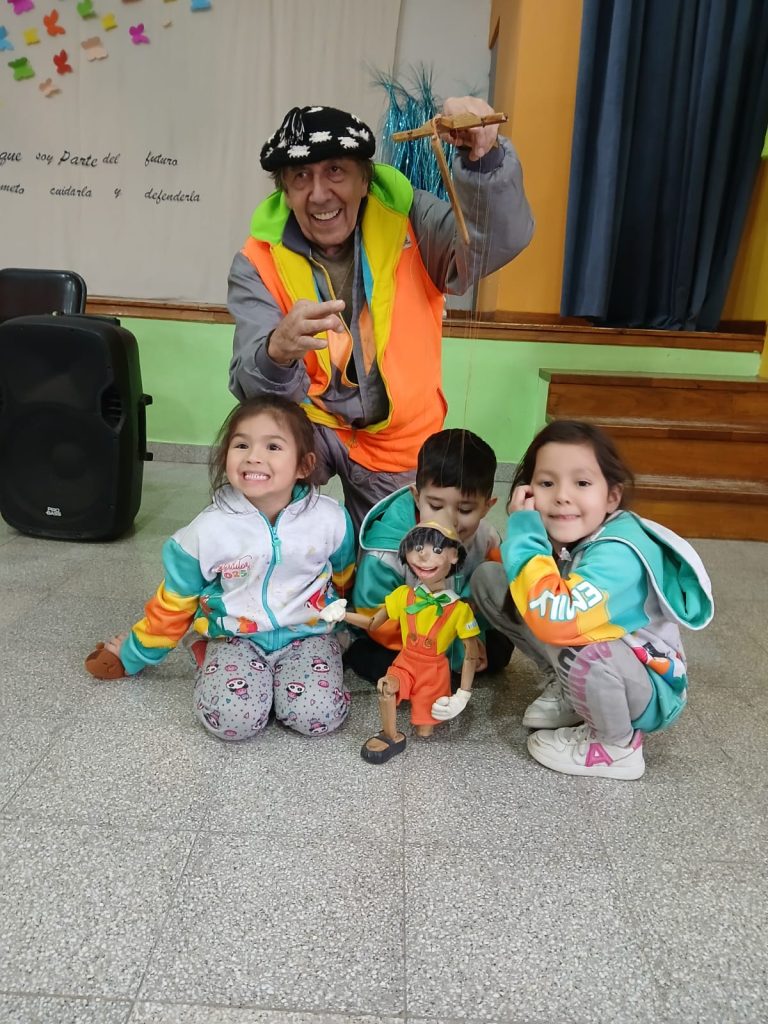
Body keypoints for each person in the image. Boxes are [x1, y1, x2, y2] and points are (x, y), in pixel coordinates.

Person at [227, 98, 534, 533]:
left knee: (405, 557)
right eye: (301, 176)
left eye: (336, 171)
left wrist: (484, 158)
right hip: (309, 425)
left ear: (364, 180)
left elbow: (493, 244)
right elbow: (250, 387)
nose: (319, 194)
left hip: (397, 435)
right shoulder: (256, 259)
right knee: (254, 517)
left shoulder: (412, 218)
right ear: (285, 191)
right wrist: (275, 352)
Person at [84, 396, 356, 741]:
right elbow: (174, 603)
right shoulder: (207, 530)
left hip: (309, 636)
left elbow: (346, 583)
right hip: (235, 638)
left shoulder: (331, 519)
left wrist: (355, 632)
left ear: (304, 465)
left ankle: (284, 684)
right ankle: (208, 655)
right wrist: (132, 654)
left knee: (317, 717)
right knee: (233, 722)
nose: (253, 456)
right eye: (241, 445)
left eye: (273, 446)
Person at [471, 420, 714, 780]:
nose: (562, 496)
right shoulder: (574, 534)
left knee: (581, 640)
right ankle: (570, 690)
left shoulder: (618, 553)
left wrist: (524, 533)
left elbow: (556, 620)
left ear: (612, 496)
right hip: (604, 656)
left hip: (647, 690)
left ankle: (615, 746)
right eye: (547, 483)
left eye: (582, 483)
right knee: (490, 580)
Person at [347, 427, 512, 681]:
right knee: (377, 661)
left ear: (487, 507)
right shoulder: (386, 551)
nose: (448, 520)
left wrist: (472, 635)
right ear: (416, 497)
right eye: (435, 506)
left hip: (455, 626)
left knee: (501, 649)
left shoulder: (487, 538)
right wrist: (442, 648)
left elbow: (495, 595)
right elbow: (372, 614)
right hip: (402, 637)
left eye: (465, 510)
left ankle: (448, 665)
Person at [324, 521, 480, 764]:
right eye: (417, 548)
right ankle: (390, 736)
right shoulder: (403, 595)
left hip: (433, 673)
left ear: (453, 556)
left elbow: (471, 653)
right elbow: (373, 623)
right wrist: (343, 615)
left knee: (425, 731)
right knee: (386, 687)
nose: (423, 556)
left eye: (437, 550)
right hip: (405, 662)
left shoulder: (460, 610)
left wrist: (463, 694)